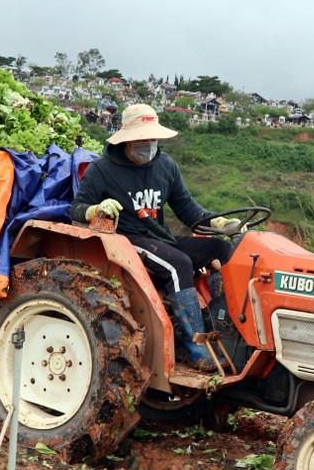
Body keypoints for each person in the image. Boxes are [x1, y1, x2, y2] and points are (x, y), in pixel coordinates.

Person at [71, 104, 242, 369]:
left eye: (152, 138)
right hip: (128, 241)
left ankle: (230, 331)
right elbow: (77, 208)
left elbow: (188, 209)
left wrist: (219, 221)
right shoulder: (102, 170)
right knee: (179, 264)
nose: (148, 144)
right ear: (127, 139)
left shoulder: (166, 166)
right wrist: (95, 209)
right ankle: (196, 347)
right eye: (142, 139)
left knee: (221, 249)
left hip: (160, 238)